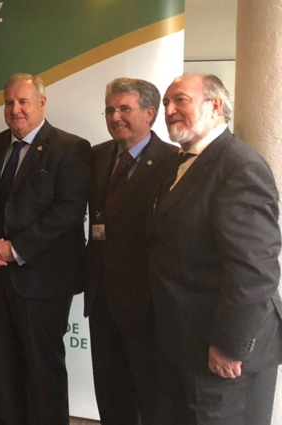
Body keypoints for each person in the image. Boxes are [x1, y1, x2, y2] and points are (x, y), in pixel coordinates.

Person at [148, 74, 282, 425]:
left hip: (222, 354)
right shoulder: (180, 163)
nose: (170, 110)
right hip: (184, 341)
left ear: (216, 105)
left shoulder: (240, 167)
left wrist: (229, 347)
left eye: (180, 100)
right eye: (165, 103)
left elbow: (254, 270)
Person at [0, 74, 91, 425]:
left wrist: (15, 249)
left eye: (23, 102)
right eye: (9, 102)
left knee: (42, 366)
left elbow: (66, 212)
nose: (15, 109)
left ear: (42, 104)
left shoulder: (71, 147)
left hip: (42, 279)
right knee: (1, 366)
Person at [84, 78, 177, 425]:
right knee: (108, 388)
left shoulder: (172, 161)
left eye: (125, 108)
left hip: (146, 298)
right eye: (110, 109)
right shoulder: (96, 155)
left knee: (148, 390)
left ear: (150, 113)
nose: (115, 116)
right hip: (101, 292)